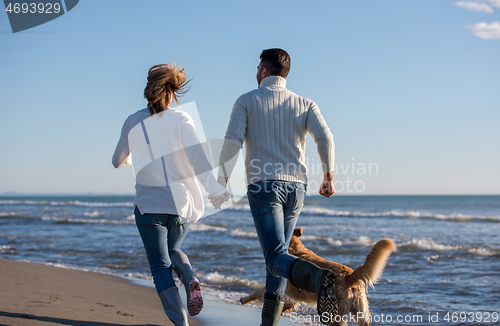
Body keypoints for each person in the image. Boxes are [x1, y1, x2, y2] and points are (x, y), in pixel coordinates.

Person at [215, 49, 338, 326]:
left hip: (264, 187)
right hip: (297, 188)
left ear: (263, 72)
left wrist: (221, 180)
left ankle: (320, 278)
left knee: (274, 257)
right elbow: (325, 138)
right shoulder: (305, 103)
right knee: (279, 256)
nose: (256, 71)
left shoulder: (246, 101)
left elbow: (232, 141)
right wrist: (328, 175)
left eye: (258, 67)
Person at [112, 63, 229, 326]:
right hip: (182, 205)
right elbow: (199, 162)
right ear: (174, 91)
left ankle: (180, 322)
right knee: (174, 249)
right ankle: (189, 279)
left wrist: (137, 159)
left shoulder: (133, 120)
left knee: (159, 266)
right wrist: (215, 191)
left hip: (148, 206)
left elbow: (117, 161)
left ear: (148, 88)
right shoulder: (182, 119)